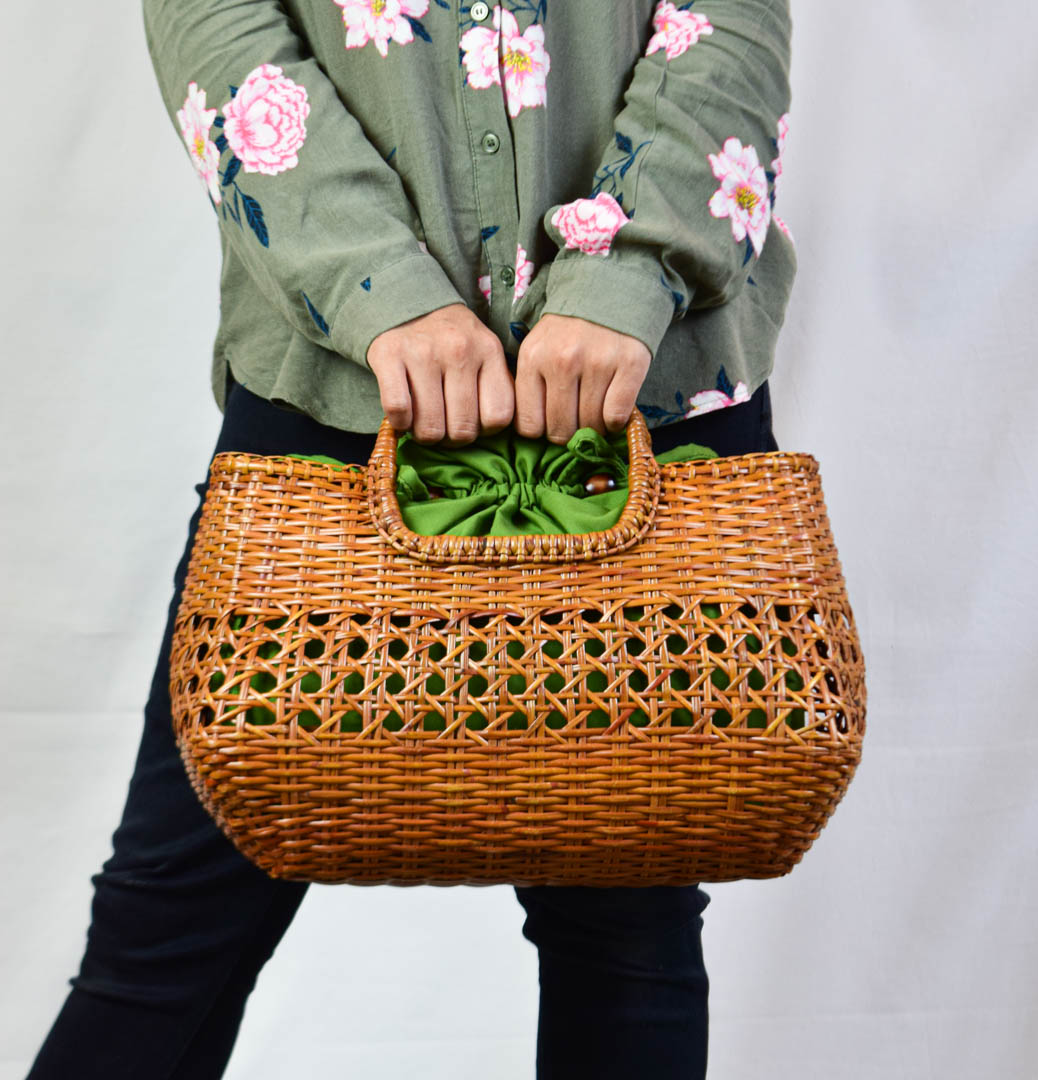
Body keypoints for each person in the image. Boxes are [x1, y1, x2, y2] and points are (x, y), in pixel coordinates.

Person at [25, 2, 794, 1077]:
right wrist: (377, 285)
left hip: (636, 383)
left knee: (628, 928)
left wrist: (628, 269)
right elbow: (214, 20)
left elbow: (730, 18)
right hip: (341, 392)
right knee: (175, 923)